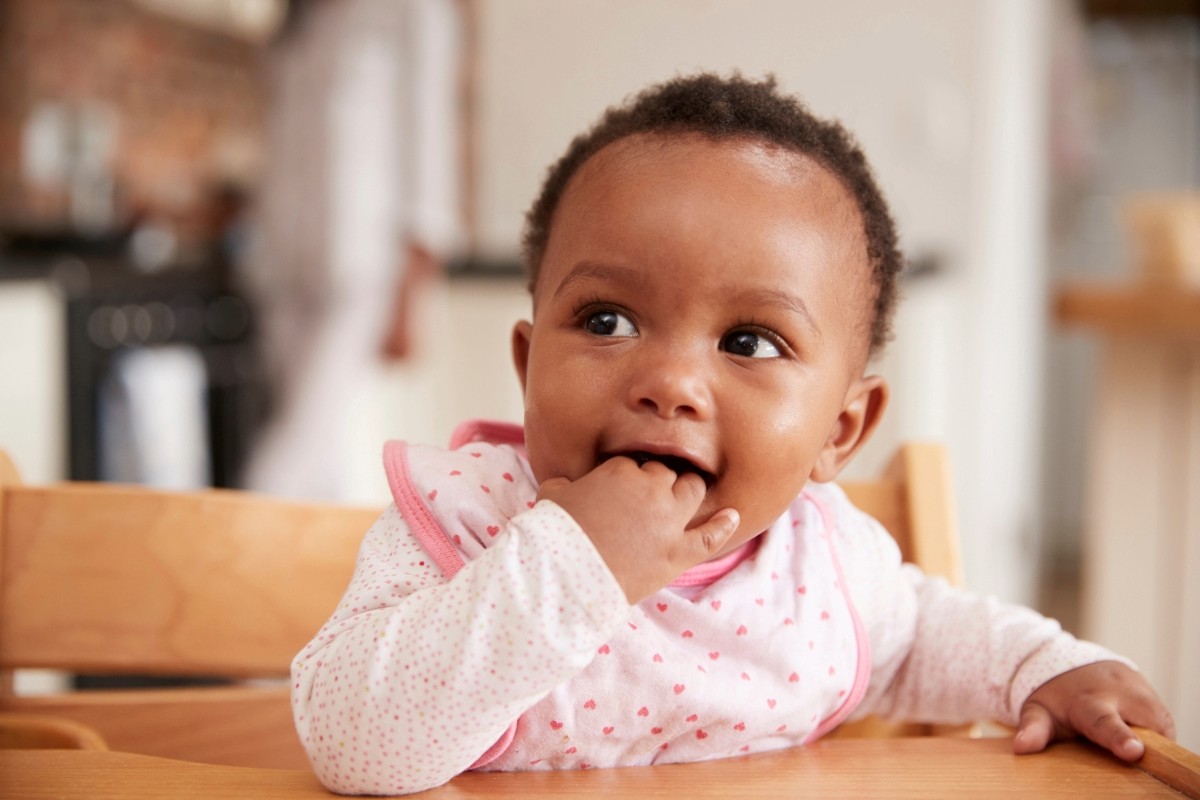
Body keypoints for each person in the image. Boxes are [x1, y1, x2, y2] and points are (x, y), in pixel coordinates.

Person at [290, 73, 1174, 795]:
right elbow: (351, 742)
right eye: (605, 321)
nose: (670, 382)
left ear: (841, 429)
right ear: (527, 368)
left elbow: (925, 640)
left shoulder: (821, 573)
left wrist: (1046, 669)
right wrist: (572, 564)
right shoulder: (465, 524)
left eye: (749, 342)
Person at [240, 0, 461, 502]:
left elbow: (428, 140)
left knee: (291, 449)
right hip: (283, 259)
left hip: (361, 260)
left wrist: (414, 284)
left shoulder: (414, 10)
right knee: (324, 446)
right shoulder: (301, 22)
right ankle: (324, 571)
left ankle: (233, 549)